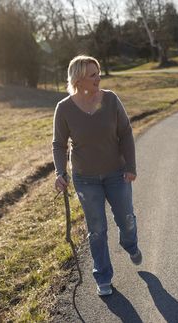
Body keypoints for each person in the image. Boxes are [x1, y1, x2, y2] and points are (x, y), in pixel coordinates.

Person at [52, 55, 142, 297]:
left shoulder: (111, 99)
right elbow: (59, 144)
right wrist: (60, 172)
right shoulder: (64, 109)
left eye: (98, 72)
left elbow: (125, 132)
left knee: (125, 219)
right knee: (97, 229)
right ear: (79, 79)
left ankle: (130, 244)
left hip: (117, 173)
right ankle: (103, 276)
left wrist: (130, 165)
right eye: (93, 74)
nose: (98, 78)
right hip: (85, 178)